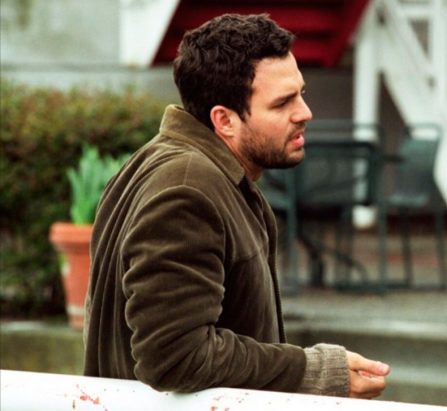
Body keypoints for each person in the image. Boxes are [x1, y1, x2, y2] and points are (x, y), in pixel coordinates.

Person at [83, 13, 390, 398]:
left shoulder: (171, 164)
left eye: (301, 93)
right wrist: (313, 371)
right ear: (224, 120)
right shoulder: (188, 190)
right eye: (282, 104)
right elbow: (174, 357)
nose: (304, 113)